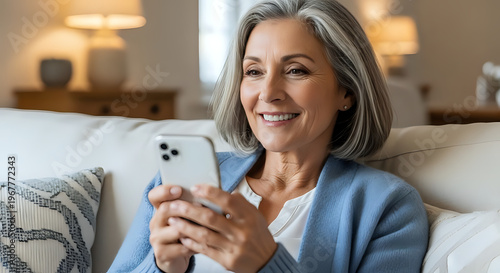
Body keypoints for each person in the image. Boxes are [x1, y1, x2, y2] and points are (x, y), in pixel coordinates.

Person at [109, 0, 429, 272]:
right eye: (254, 72)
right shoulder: (175, 186)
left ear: (347, 90)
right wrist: (162, 267)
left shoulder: (388, 207)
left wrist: (267, 263)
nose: (268, 93)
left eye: (296, 70)